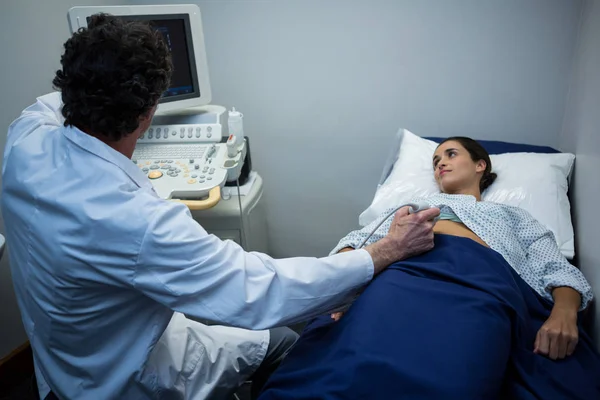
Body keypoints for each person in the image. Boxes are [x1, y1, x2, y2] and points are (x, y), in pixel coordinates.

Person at [0, 14, 439, 400]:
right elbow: (258, 290)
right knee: (284, 340)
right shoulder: (136, 220)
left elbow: (56, 100)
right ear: (149, 111)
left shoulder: (26, 136)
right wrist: (385, 251)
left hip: (64, 359)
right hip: (123, 379)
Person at [332, 136, 593, 360]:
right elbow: (358, 240)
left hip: (482, 282)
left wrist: (564, 312)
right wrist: (343, 283)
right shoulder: (410, 207)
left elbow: (556, 267)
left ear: (480, 165)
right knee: (367, 338)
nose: (441, 163)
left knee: (462, 350)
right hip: (404, 272)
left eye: (451, 154)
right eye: (435, 161)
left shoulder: (513, 215)